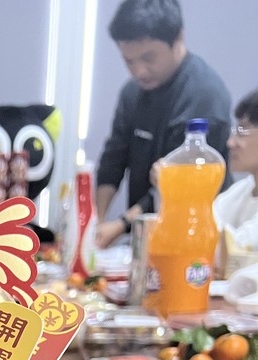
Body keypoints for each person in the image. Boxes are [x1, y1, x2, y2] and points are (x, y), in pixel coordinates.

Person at [94, 0, 232, 249]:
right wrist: (98, 220)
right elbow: (112, 160)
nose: (139, 71)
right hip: (147, 237)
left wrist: (121, 225)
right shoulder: (132, 93)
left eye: (148, 58)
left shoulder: (204, 94)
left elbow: (178, 179)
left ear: (178, 38)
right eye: (129, 61)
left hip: (193, 238)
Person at [214, 90, 258, 273]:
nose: (230, 143)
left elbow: (234, 254)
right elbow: (201, 232)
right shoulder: (240, 190)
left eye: (242, 132)